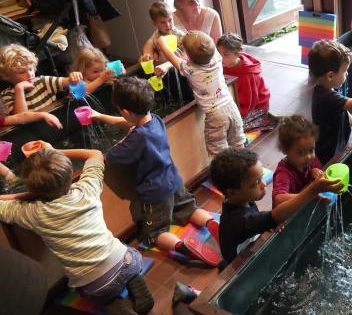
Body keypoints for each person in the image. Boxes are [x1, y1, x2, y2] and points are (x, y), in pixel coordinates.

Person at [0, 146, 154, 315]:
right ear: (70, 171)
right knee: (126, 252)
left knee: (98, 295)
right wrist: (57, 151)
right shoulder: (86, 189)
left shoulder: (34, 212)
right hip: (125, 262)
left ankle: (114, 305)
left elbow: (3, 207)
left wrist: (19, 196)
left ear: (33, 190)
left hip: (95, 286)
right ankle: (134, 280)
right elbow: (95, 154)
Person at [94, 77, 222, 267]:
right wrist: (98, 116)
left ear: (127, 112)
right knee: (189, 209)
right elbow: (131, 124)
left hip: (155, 193)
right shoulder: (155, 120)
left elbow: (111, 156)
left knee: (155, 233)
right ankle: (212, 224)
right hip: (173, 179)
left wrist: (121, 141)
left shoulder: (137, 138)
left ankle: (181, 246)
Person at [209, 148, 342, 267]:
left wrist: (266, 225)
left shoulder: (237, 200)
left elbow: (259, 221)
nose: (263, 184)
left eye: (261, 178)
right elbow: (272, 216)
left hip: (245, 243)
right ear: (232, 192)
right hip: (236, 266)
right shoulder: (238, 220)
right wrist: (312, 190)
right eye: (255, 183)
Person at [156, 31, 245, 156]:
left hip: (215, 116)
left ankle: (226, 171)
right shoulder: (217, 58)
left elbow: (172, 57)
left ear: (189, 57)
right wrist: (189, 39)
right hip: (231, 106)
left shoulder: (190, 69)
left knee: (218, 150)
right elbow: (203, 44)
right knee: (238, 142)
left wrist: (162, 43)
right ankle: (245, 165)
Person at [0, 44, 83, 114]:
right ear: (7, 76)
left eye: (30, 69)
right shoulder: (7, 95)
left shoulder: (42, 82)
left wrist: (73, 77)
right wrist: (19, 89)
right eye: (22, 72)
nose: (30, 74)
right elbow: (22, 117)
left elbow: (68, 81)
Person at [216, 33, 275, 131]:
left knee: (231, 127)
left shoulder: (247, 74)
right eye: (218, 52)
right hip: (235, 101)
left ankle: (265, 120)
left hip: (255, 107)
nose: (220, 57)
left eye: (225, 54)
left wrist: (232, 113)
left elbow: (249, 103)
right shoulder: (225, 63)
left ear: (237, 54)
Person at [272, 115, 329, 207]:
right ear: (285, 150)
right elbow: (278, 199)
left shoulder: (312, 160)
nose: (309, 156)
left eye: (311, 150)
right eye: (301, 153)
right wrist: (310, 195)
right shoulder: (284, 173)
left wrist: (313, 170)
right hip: (288, 215)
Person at [140, 1, 186, 71]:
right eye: (162, 22)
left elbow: (186, 54)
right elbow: (149, 44)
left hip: (177, 68)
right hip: (161, 69)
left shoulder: (179, 34)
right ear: (154, 23)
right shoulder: (156, 35)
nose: (168, 25)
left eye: (170, 20)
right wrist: (147, 55)